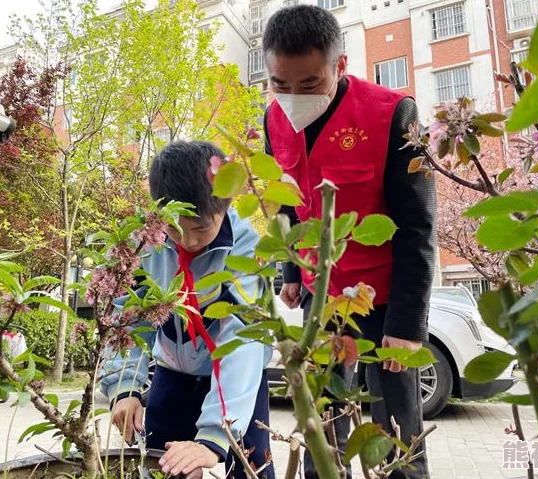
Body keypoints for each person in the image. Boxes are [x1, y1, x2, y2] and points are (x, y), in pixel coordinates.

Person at [262, 5, 437, 479]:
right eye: (281, 84)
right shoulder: (273, 119)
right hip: (322, 304)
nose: (293, 97)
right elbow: (285, 203)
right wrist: (292, 272)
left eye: (309, 84)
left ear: (340, 66)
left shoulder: (395, 113)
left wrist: (406, 326)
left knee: (395, 440)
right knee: (324, 429)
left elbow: (419, 228)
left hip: (383, 304)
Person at [100, 141, 275, 479]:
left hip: (239, 382)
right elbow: (127, 317)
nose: (189, 241)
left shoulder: (246, 248)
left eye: (200, 229)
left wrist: (214, 435)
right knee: (165, 466)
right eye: (175, 229)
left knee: (252, 469)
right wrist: (124, 387)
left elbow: (244, 338)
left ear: (224, 207)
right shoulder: (141, 243)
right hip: (172, 374)